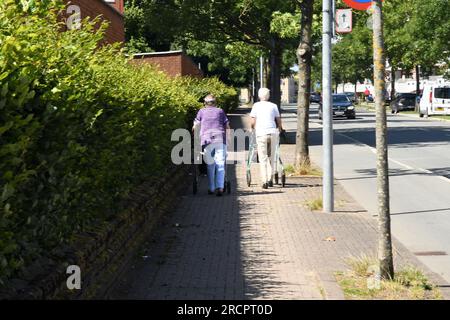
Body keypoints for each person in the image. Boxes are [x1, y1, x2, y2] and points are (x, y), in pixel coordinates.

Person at [193, 94, 230, 196]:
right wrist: (229, 139)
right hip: (219, 139)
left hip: (206, 140)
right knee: (221, 163)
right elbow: (227, 125)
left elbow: (195, 125)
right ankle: (220, 187)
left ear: (205, 103)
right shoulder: (220, 111)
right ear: (215, 102)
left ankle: (211, 188)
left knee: (210, 165)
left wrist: (195, 134)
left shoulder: (201, 112)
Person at [250, 88, 283, 189]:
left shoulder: (256, 106)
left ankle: (264, 181)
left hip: (261, 134)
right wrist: (280, 129)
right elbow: (278, 119)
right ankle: (270, 179)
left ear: (259, 96)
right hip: (272, 133)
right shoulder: (273, 106)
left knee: (263, 158)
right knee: (272, 157)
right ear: (268, 96)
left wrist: (252, 128)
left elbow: (252, 121)